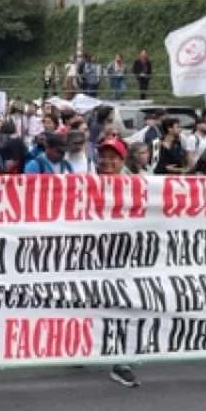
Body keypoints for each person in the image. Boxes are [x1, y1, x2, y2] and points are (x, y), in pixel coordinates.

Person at [91, 138, 140, 388]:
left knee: (122, 306)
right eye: (104, 156)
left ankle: (121, 361)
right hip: (91, 255)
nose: (108, 161)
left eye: (114, 157)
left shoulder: (139, 186)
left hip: (124, 255)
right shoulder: (86, 183)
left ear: (123, 161)